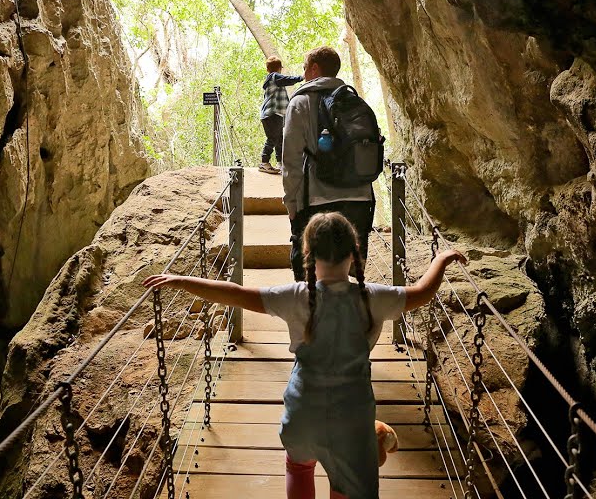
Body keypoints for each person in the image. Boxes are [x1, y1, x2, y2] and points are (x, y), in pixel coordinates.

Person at [143, 212, 466, 499]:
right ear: (354, 254)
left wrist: (182, 281)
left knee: (298, 469)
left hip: (302, 414)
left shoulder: (295, 296)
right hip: (351, 420)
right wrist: (442, 258)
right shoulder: (373, 298)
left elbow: (237, 294)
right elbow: (423, 292)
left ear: (308, 254)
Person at [282, 46, 374, 281]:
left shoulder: (300, 102)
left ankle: (312, 316)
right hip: (360, 198)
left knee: (308, 276)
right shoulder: (354, 100)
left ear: (314, 68)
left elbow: (291, 159)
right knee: (347, 274)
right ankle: (344, 315)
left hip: (317, 199)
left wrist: (291, 204)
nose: (303, 74)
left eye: (304, 68)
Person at [259, 56, 304, 174]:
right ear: (279, 68)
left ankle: (280, 163)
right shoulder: (275, 77)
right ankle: (264, 162)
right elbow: (288, 79)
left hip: (273, 114)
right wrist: (301, 77)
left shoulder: (270, 81)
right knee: (273, 138)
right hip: (273, 113)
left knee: (279, 139)